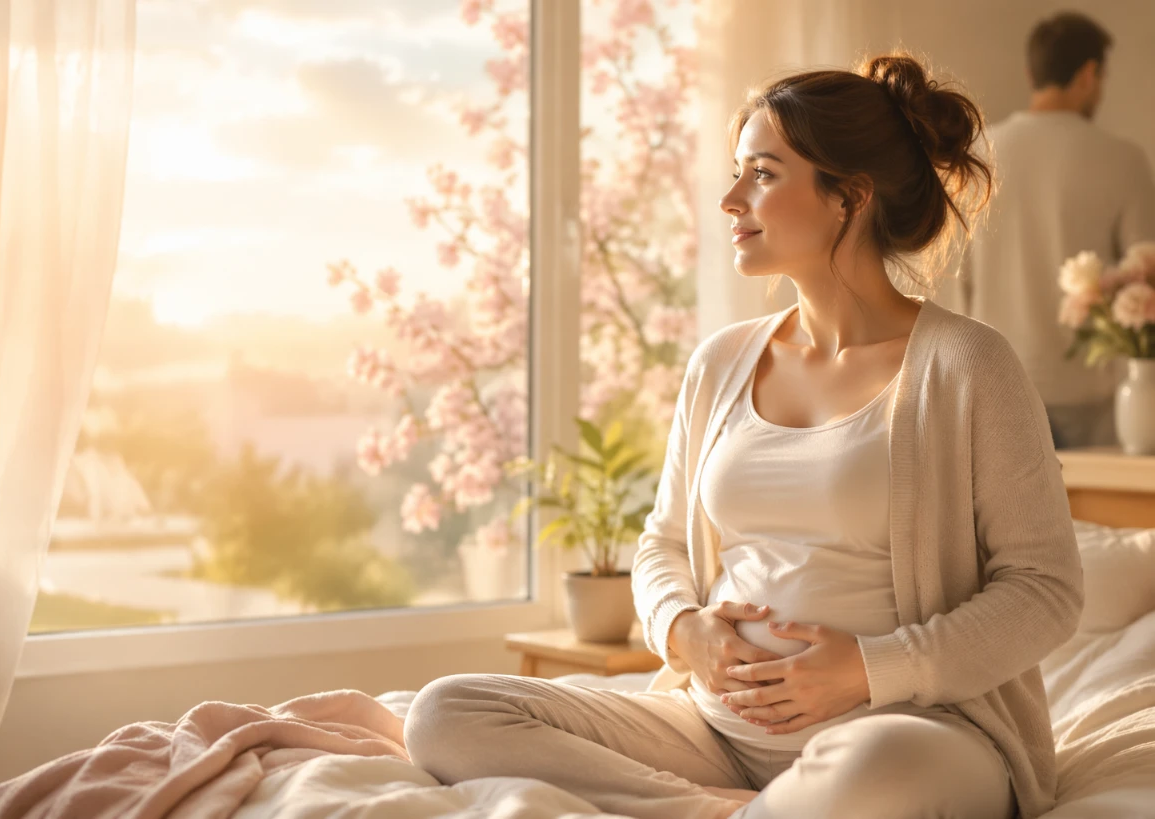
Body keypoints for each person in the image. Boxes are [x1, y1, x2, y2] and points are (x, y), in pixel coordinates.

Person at [405, 53, 1083, 819]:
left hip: (909, 730)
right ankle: (720, 808)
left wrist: (868, 668)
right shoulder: (722, 361)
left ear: (848, 197)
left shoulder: (966, 365)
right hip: (714, 731)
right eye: (737, 172)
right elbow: (662, 542)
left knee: (876, 769)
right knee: (446, 711)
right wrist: (683, 630)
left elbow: (1046, 591)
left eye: (762, 172)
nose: (730, 199)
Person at [944, 11, 1155, 448]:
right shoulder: (1123, 160)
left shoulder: (978, 157)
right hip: (1093, 397)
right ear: (1089, 74)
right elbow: (1146, 272)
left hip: (995, 387)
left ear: (1031, 72)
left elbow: (954, 282)